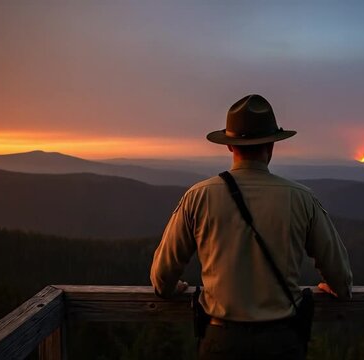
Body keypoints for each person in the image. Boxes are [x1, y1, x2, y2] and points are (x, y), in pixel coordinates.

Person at [151, 94, 352, 359]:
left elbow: (161, 279)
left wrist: (177, 288)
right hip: (281, 343)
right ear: (271, 145)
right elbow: (342, 282)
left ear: (229, 146)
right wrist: (331, 287)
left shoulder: (198, 197)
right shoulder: (302, 198)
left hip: (220, 342)